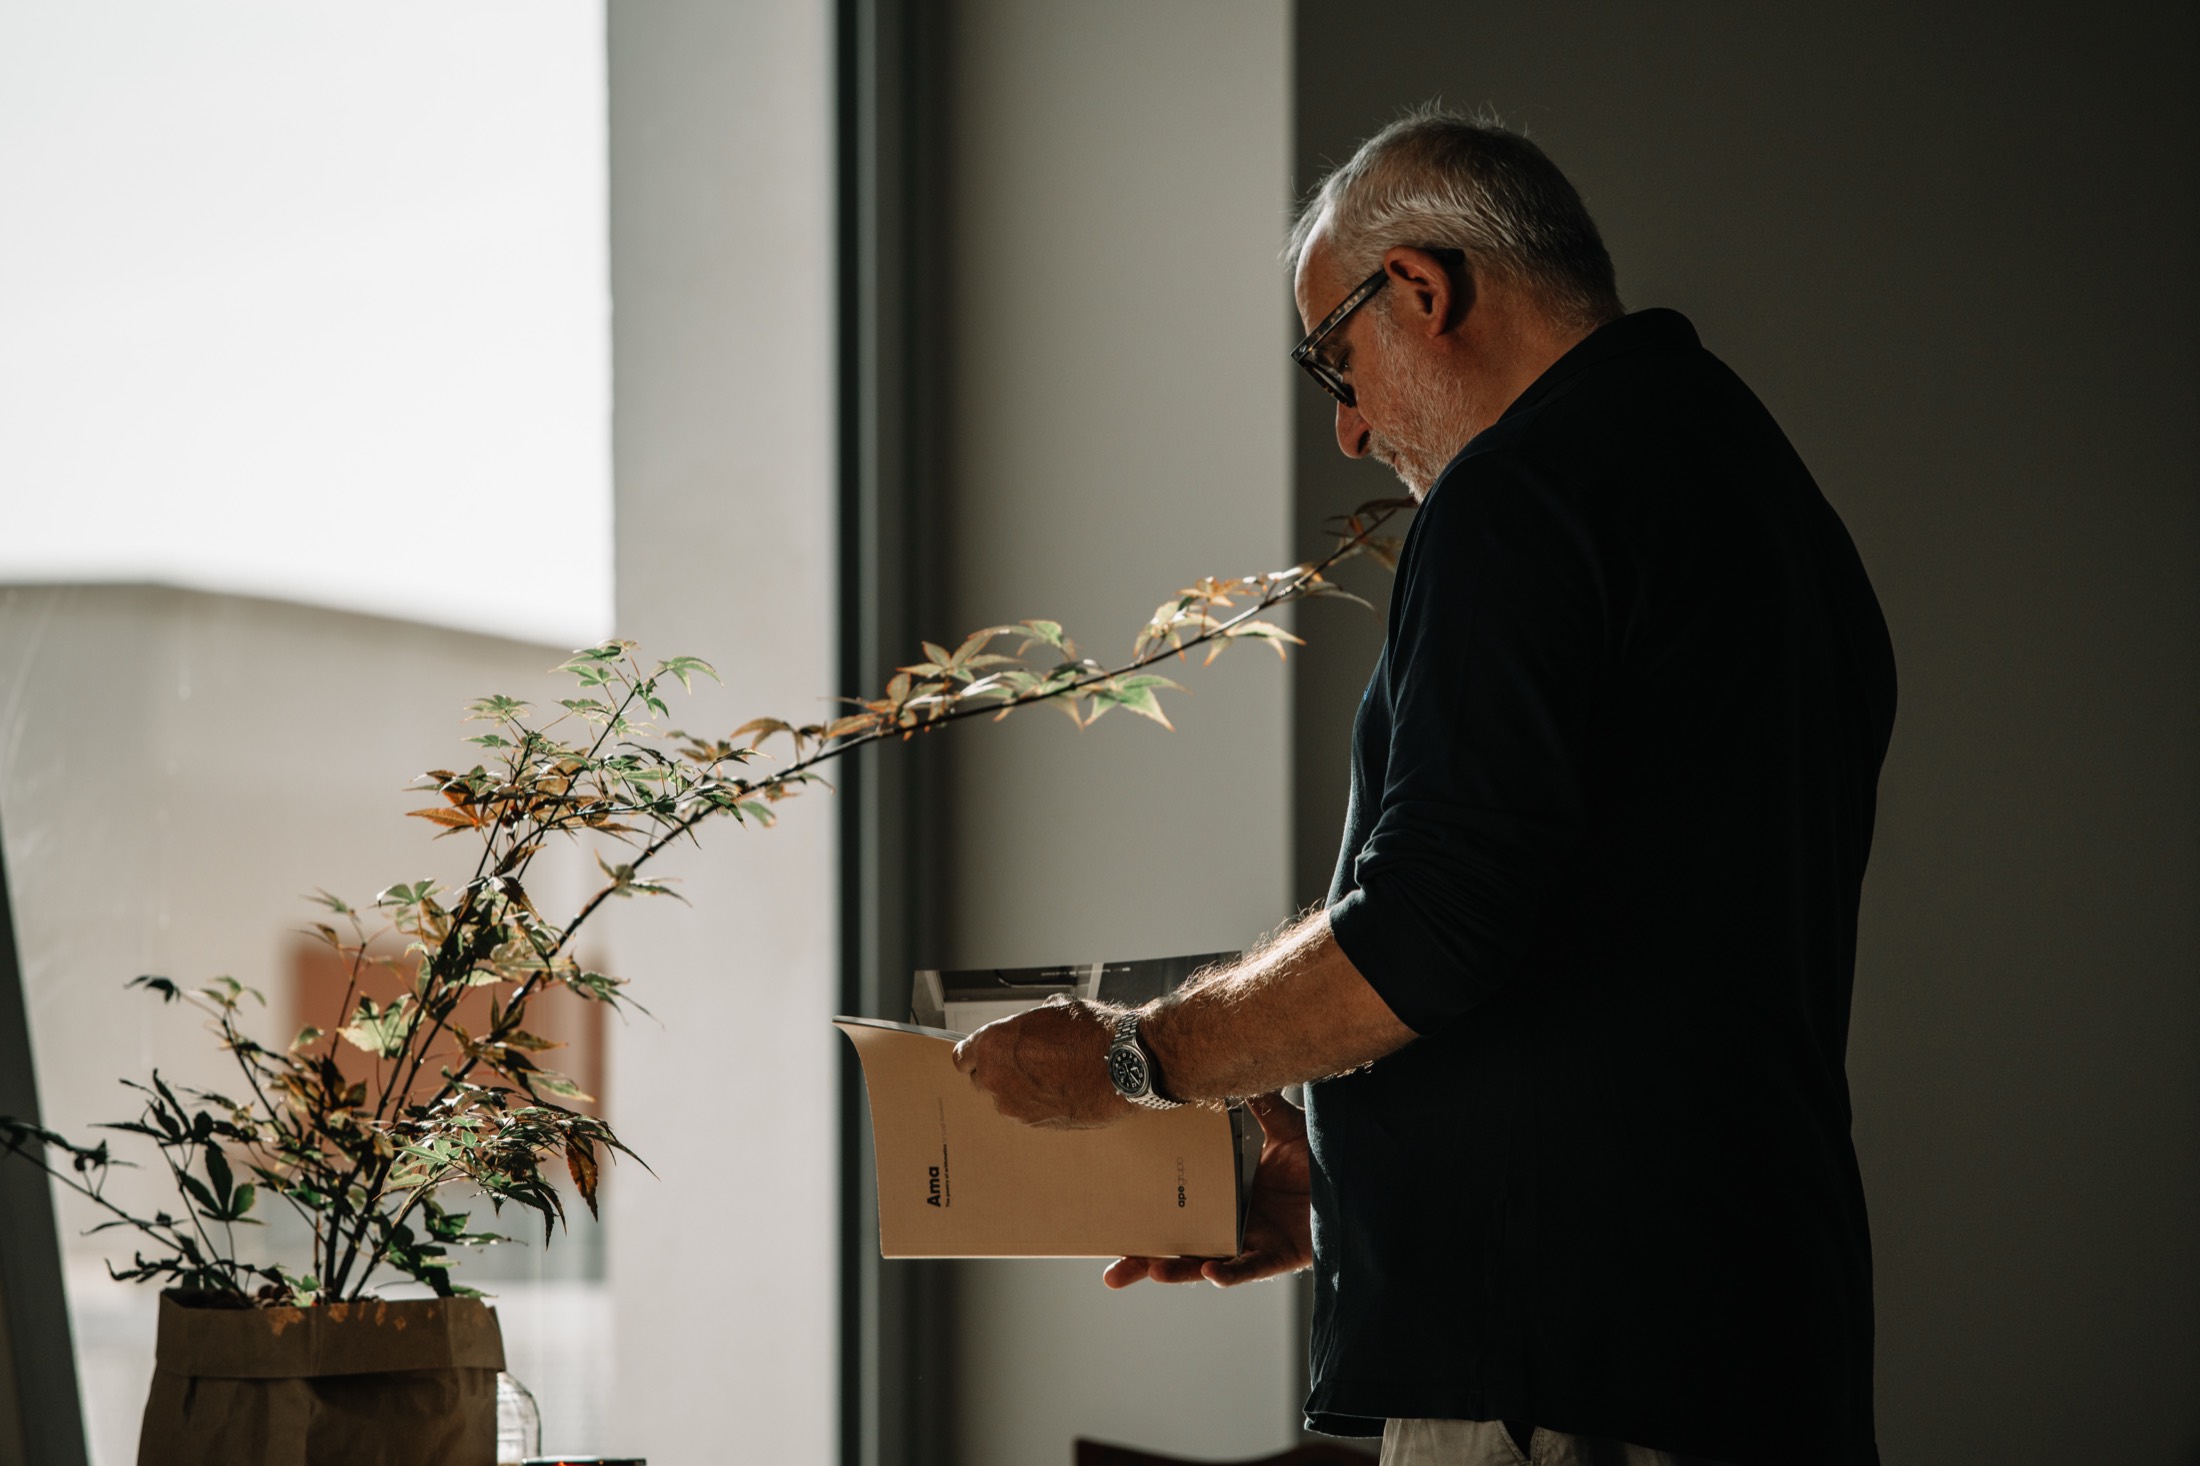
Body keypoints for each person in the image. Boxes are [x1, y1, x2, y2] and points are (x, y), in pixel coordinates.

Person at [951, 108, 1894, 1466]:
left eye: (1335, 362)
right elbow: (1640, 964)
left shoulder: (1520, 494)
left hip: (1561, 1375)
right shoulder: (1774, 505)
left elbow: (1430, 926)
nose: (1347, 428)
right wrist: (1353, 1179)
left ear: (1420, 289)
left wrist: (1128, 1059)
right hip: (1762, 1341)